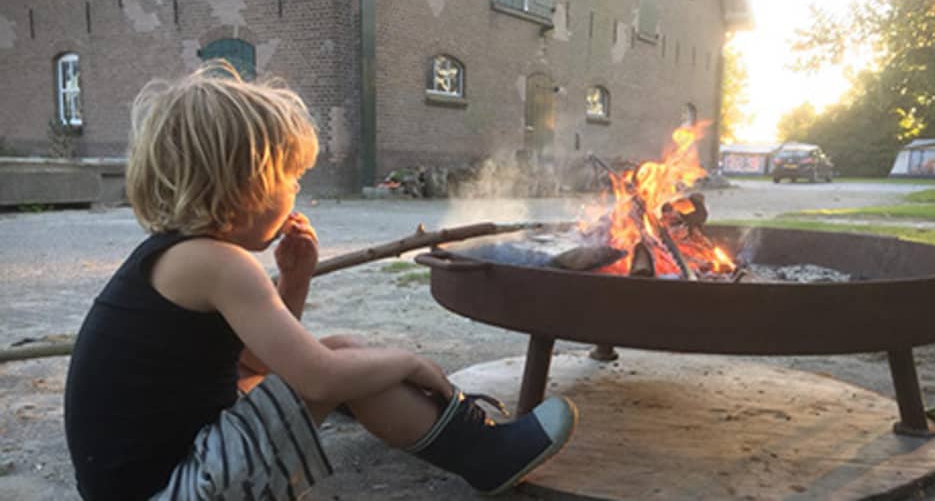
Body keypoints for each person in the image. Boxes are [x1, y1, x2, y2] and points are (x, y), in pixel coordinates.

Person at [63, 61, 577, 500]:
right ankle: (484, 454)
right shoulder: (219, 263)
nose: (295, 191)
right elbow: (318, 379)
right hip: (175, 489)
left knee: (341, 354)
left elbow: (255, 363)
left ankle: (480, 450)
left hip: (150, 483)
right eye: (291, 177)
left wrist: (295, 280)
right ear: (249, 184)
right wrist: (412, 362)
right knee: (341, 365)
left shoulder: (178, 257)